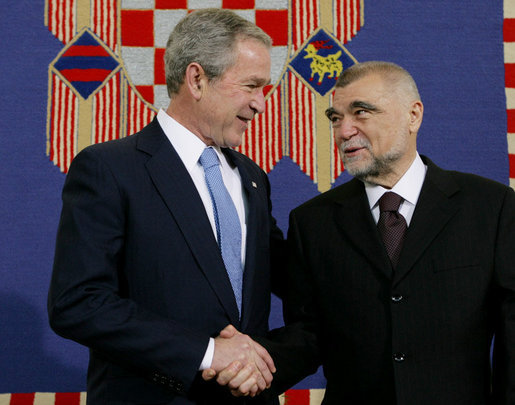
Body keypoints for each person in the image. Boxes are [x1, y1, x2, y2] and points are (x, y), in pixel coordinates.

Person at [211, 61, 515, 404]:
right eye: (336, 118)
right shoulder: (313, 222)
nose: (343, 131)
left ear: (413, 115)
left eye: (361, 112)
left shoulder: (491, 206)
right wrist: (248, 366)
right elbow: (309, 335)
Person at [48, 8, 284, 404]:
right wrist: (207, 352)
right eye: (251, 86)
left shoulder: (253, 178)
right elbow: (78, 303)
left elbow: (283, 275)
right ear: (197, 79)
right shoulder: (110, 168)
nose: (261, 103)